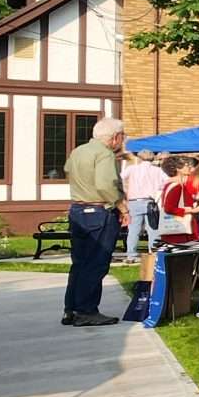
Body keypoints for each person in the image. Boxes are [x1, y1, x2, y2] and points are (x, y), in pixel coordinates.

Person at [61, 118, 127, 327]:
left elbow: (67, 170)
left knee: (80, 263)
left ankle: (71, 309)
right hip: (98, 212)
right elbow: (105, 184)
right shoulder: (104, 154)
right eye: (122, 136)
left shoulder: (78, 151)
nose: (122, 140)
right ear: (115, 137)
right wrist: (122, 206)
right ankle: (86, 310)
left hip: (78, 209)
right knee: (96, 263)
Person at [119, 149, 169, 263]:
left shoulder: (132, 169)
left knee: (133, 230)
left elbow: (120, 178)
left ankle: (131, 255)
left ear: (140, 158)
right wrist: (158, 188)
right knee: (153, 229)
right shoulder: (158, 170)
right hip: (150, 201)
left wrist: (124, 190)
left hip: (134, 201)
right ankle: (154, 253)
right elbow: (167, 182)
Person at [158, 156, 199, 247]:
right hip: (179, 231)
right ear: (178, 169)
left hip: (180, 228)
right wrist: (193, 210)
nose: (190, 167)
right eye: (187, 165)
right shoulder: (176, 186)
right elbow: (169, 208)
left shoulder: (175, 184)